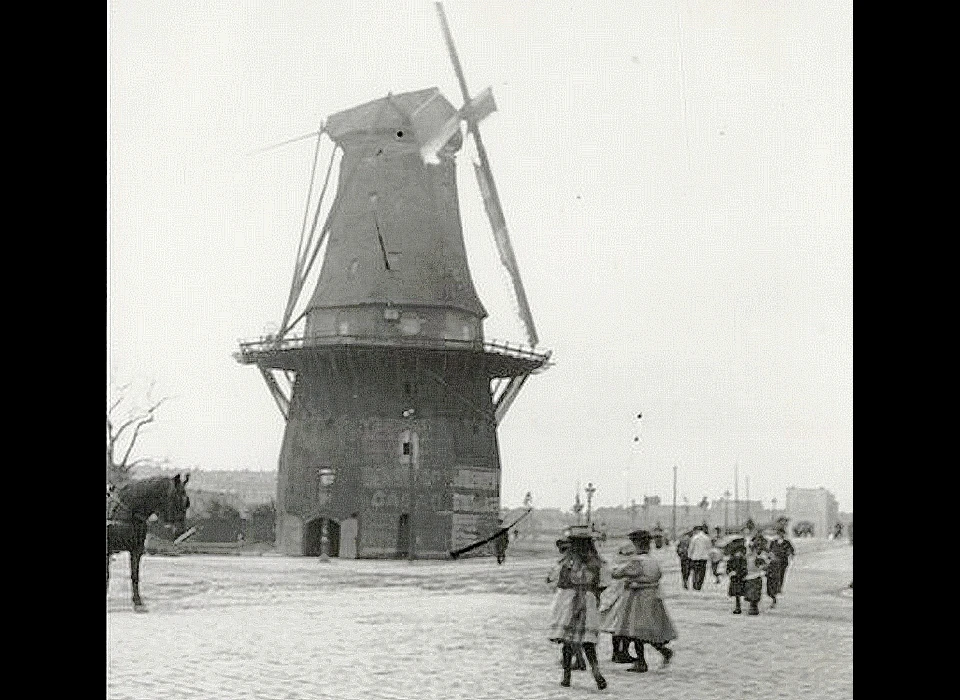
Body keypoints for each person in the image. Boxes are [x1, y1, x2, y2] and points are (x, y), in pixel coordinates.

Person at [604, 529, 677, 673]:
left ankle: (642, 662)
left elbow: (618, 574)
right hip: (653, 597)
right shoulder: (652, 560)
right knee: (648, 631)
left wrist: (612, 569)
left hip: (638, 598)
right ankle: (662, 651)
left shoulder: (636, 561)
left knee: (636, 631)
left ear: (636, 544)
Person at [547, 526, 608, 690]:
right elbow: (604, 583)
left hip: (568, 601)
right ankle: (596, 673)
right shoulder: (596, 561)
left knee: (567, 642)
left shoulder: (566, 562)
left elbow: (555, 579)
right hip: (588, 600)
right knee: (588, 642)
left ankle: (566, 677)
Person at [599, 542, 637, 664]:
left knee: (615, 630)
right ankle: (623, 652)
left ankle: (616, 653)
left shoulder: (614, 566)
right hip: (625, 601)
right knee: (625, 628)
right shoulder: (630, 566)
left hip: (615, 601)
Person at [766, 527, 795, 603]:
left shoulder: (787, 542)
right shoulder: (773, 542)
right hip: (774, 561)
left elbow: (791, 551)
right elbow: (769, 551)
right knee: (775, 575)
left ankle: (779, 588)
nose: (780, 535)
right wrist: (769, 557)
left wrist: (790, 556)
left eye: (782, 534)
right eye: (779, 534)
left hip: (783, 561)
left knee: (781, 574)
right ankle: (775, 588)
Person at [687, 525, 712, 591]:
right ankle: (699, 585)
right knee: (702, 572)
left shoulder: (694, 538)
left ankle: (695, 584)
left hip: (695, 557)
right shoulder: (707, 538)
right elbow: (709, 548)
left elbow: (691, 548)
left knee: (695, 571)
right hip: (704, 558)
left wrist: (689, 556)